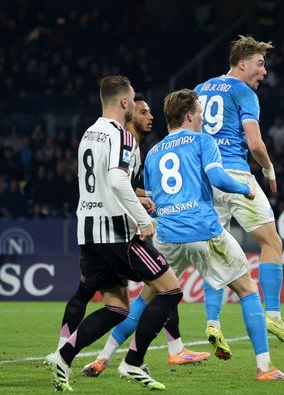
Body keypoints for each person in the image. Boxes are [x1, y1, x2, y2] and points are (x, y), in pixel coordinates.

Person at [44, 76, 183, 391]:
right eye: (133, 101)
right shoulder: (121, 134)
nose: (134, 105)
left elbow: (101, 183)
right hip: (116, 233)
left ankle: (62, 358)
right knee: (170, 290)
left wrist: (135, 199)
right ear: (124, 102)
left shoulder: (89, 133)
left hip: (88, 231)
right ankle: (133, 362)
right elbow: (118, 180)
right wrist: (142, 220)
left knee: (117, 307)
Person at [145, 89, 284, 380]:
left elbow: (151, 202)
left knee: (147, 297)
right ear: (190, 114)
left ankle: (110, 357)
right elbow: (217, 177)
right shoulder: (203, 140)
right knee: (248, 289)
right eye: (199, 112)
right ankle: (265, 366)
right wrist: (245, 189)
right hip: (202, 228)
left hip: (167, 233)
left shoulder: (153, 152)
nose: (203, 117)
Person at [82, 94, 209, 377]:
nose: (150, 117)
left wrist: (144, 201)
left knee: (154, 295)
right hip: (138, 230)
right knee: (161, 292)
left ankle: (105, 357)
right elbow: (118, 186)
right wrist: (142, 214)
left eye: (151, 112)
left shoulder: (145, 149)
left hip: (144, 228)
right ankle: (164, 351)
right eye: (143, 112)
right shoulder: (127, 144)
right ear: (129, 116)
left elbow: (133, 188)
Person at [194, 35, 284, 347]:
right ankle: (274, 314)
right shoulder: (244, 92)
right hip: (234, 173)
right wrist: (269, 169)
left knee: (215, 249)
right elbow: (254, 143)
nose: (264, 72)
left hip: (204, 176)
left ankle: (213, 322)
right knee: (271, 242)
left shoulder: (200, 89)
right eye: (260, 64)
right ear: (242, 64)